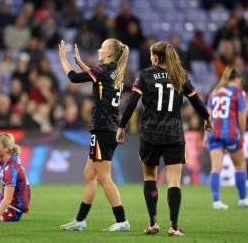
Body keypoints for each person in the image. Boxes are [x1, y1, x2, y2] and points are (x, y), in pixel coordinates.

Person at [116, 41, 214, 236]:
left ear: (156, 57)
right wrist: (207, 118)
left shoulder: (145, 76)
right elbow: (195, 101)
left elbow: (132, 102)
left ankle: (153, 223)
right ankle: (174, 226)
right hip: (174, 134)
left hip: (150, 134)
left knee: (150, 177)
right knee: (174, 182)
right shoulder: (180, 75)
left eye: (152, 54)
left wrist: (121, 126)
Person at [58, 39, 130, 231]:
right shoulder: (115, 71)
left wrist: (63, 60)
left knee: (103, 177)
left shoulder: (104, 70)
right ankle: (80, 220)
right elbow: (97, 77)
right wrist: (81, 63)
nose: (99, 49)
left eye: (102, 47)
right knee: (89, 174)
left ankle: (122, 220)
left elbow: (74, 78)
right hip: (109, 128)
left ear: (109, 54)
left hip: (102, 129)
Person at [203, 67, 248, 210]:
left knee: (216, 168)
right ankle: (242, 199)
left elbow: (207, 115)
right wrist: (241, 133)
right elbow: (241, 116)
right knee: (240, 166)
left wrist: (205, 135)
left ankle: (216, 201)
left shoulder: (214, 92)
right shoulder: (238, 93)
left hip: (214, 134)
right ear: (237, 79)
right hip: (230, 134)